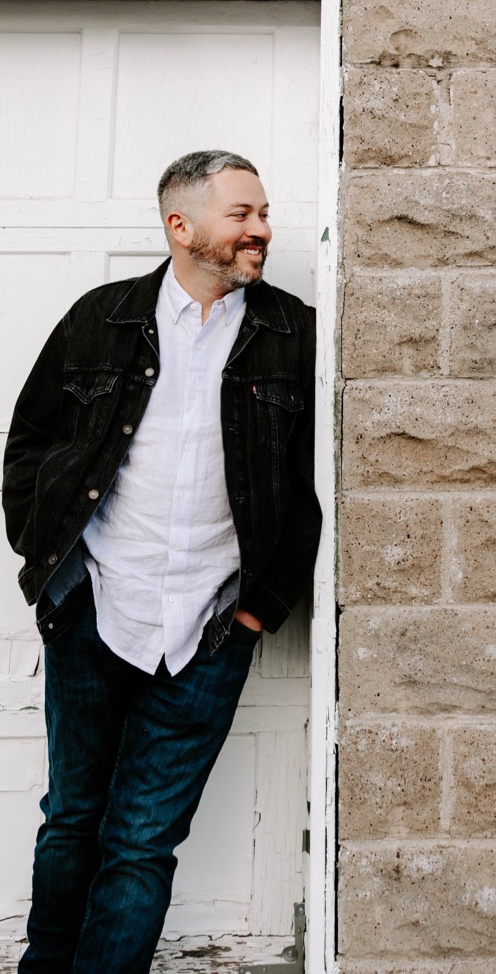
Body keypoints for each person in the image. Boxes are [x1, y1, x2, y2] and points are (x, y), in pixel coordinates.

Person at [4, 150, 321, 972]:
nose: (261, 229)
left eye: (263, 213)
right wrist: (49, 568)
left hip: (211, 627)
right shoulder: (100, 319)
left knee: (143, 840)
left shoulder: (295, 335)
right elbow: (29, 445)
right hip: (93, 609)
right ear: (182, 226)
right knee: (73, 818)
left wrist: (256, 612)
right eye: (241, 214)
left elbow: (312, 486)